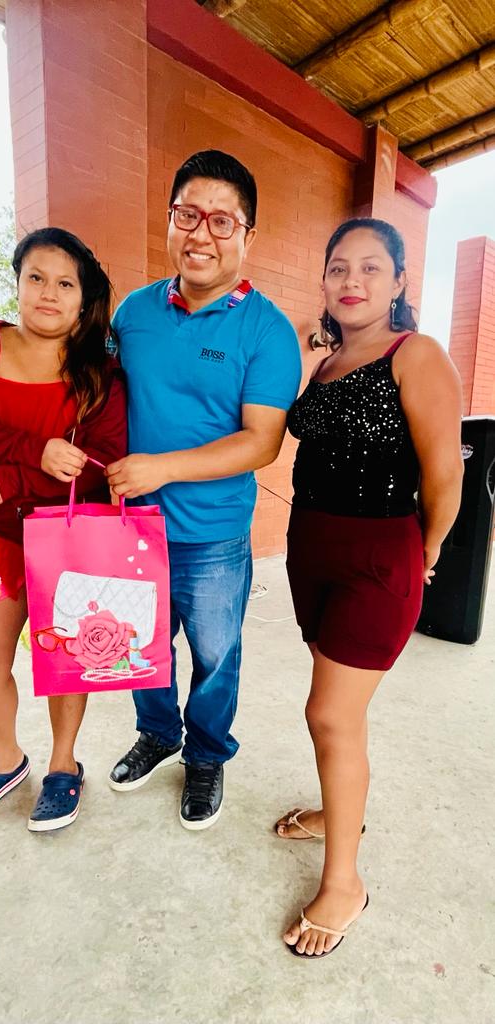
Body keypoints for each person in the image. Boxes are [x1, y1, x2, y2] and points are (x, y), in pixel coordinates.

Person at [276, 217, 463, 957]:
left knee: (327, 713)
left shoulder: (416, 354)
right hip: (311, 549)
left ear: (399, 282)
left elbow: (445, 475)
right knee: (341, 713)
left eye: (371, 268)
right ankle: (339, 811)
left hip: (378, 557)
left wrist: (427, 550)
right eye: (338, 268)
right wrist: (304, 343)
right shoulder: (325, 361)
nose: (352, 280)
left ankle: (344, 883)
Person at [106, 150, 301, 830]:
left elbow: (262, 441)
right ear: (169, 221)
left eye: (222, 221)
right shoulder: (133, 313)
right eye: (188, 214)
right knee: (141, 646)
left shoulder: (267, 330)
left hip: (213, 534)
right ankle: (159, 734)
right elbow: (92, 398)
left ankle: (208, 754)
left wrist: (161, 468)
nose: (202, 234)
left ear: (248, 236)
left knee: (216, 657)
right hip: (130, 530)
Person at [0, 227, 127, 832]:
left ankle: (64, 764)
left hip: (67, 536)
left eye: (65, 284)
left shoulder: (101, 373)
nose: (48, 293)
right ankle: (5, 760)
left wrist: (12, 478)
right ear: (17, 282)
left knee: (67, 662)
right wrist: (33, 452)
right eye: (36, 277)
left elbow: (100, 464)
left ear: (83, 300)